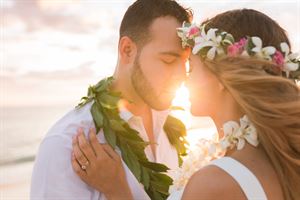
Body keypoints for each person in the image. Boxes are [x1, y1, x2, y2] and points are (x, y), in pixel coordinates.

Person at [72, 8, 300, 200]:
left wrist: (117, 190)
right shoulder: (278, 163)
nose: (184, 77)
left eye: (191, 66)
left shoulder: (214, 184)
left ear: (221, 76)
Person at [30, 0, 192, 199]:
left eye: (185, 63)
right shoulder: (65, 145)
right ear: (127, 50)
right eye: (168, 60)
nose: (181, 75)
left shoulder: (171, 130)